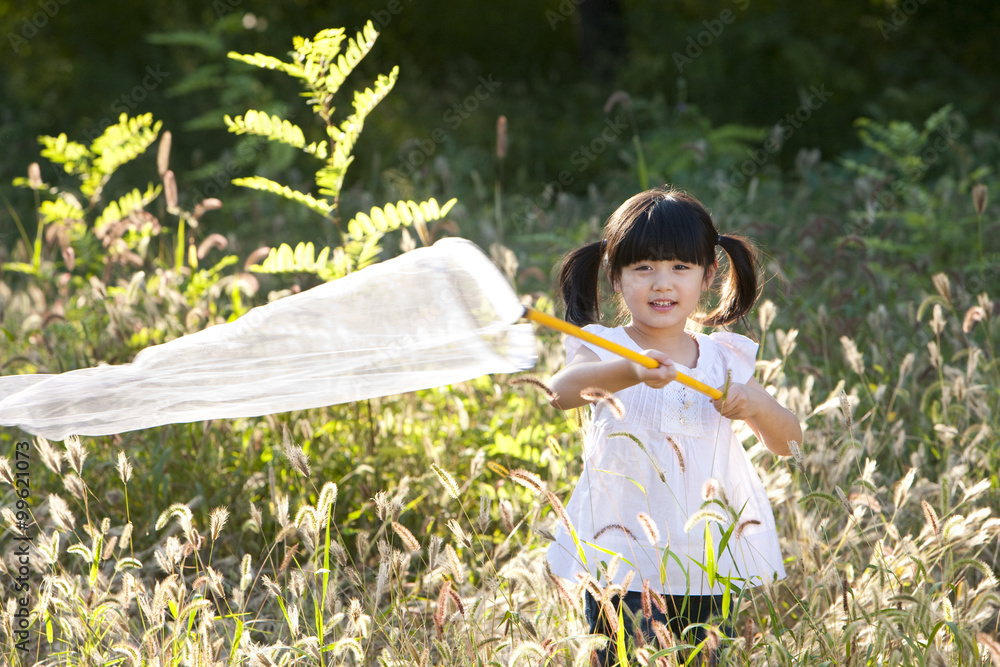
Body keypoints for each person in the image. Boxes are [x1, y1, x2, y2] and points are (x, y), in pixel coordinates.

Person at [545, 186, 801, 664]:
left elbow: (789, 443)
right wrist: (631, 371)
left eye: (680, 268)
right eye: (643, 268)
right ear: (616, 277)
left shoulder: (723, 358)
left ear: (707, 275)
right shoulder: (607, 348)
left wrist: (758, 405)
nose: (662, 283)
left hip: (706, 559)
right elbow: (561, 392)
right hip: (621, 556)